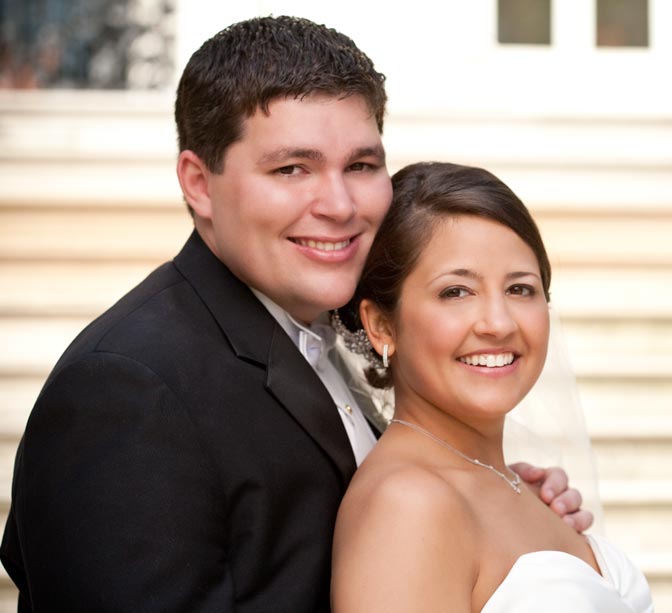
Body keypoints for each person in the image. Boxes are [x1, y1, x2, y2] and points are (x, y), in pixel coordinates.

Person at [0, 16, 590, 612]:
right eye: (292, 169)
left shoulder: (319, 334)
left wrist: (493, 507)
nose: (338, 205)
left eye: (360, 166)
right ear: (199, 183)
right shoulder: (128, 389)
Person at [331, 162, 654, 612]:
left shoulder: (525, 487)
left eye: (521, 289)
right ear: (382, 325)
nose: (499, 324)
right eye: (457, 292)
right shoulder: (406, 506)